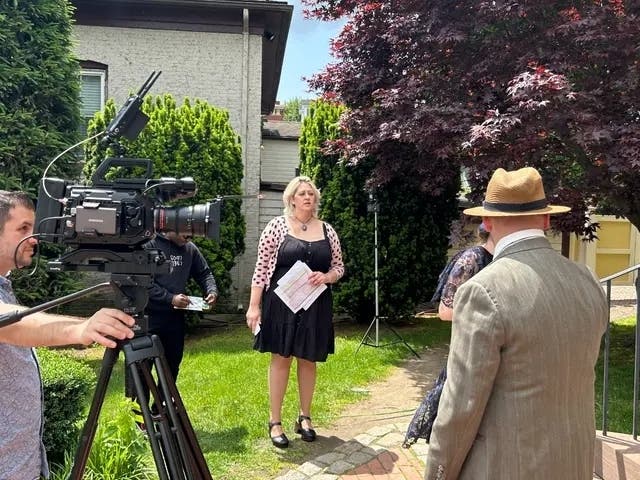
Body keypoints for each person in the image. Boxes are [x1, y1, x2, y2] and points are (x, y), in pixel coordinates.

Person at [424, 167, 608, 480]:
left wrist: (438, 474)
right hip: (575, 463)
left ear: (488, 221)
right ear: (547, 219)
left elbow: (460, 407)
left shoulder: (482, 290)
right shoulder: (587, 280)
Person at [0, 191, 136, 479]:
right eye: (23, 228)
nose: (33, 237)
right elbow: (11, 324)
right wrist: (81, 328)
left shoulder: (4, 285)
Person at [246, 175, 344, 448]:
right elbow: (261, 268)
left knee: (308, 358)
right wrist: (254, 306)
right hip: (281, 303)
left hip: (315, 304)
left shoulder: (327, 230)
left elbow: (339, 267)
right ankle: (274, 421)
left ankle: (305, 417)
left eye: (311, 193)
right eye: (302, 193)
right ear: (291, 198)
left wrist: (327, 277)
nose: (307, 197)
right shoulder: (276, 227)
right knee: (281, 358)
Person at [404, 224, 494, 447]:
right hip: (470, 347)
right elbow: (445, 311)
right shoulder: (472, 258)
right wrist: (490, 316)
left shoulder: (506, 258)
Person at [144, 230, 218, 383]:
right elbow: (143, 282)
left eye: (192, 233)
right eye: (187, 234)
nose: (190, 237)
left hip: (175, 319)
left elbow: (204, 273)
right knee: (144, 366)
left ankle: (163, 404)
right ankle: (142, 403)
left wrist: (212, 290)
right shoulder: (149, 245)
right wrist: (170, 298)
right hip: (149, 317)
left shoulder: (190, 248)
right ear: (172, 227)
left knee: (172, 365)